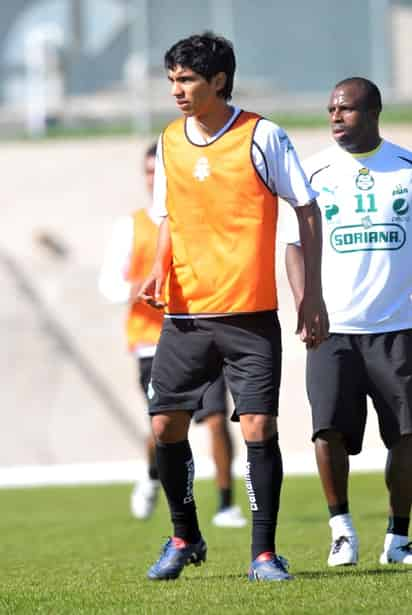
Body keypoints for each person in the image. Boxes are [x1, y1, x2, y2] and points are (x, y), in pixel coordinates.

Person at [137, 32, 328, 582]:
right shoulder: (170, 140)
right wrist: (157, 267)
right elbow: (168, 215)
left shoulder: (262, 135)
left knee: (258, 427)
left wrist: (310, 292)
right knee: (166, 426)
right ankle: (184, 535)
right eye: (172, 79)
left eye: (187, 79)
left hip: (249, 315)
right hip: (186, 314)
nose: (177, 89)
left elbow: (306, 208)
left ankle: (264, 553)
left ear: (219, 81)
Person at [285, 77, 412, 567]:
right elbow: (292, 246)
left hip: (398, 328)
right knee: (327, 432)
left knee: (406, 435)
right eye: (331, 109)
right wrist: (306, 301)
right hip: (332, 329)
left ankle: (399, 537)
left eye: (347, 109)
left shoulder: (404, 167)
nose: (336, 117)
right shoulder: (312, 171)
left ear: (374, 112)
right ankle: (341, 531)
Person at [99, 143, 246, 528]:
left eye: (158, 172)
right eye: (148, 172)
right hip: (152, 344)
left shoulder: (196, 220)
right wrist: (145, 289)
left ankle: (226, 503)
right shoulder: (130, 226)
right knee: (163, 426)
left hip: (199, 333)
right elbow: (110, 285)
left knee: (215, 418)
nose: (153, 179)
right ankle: (151, 474)